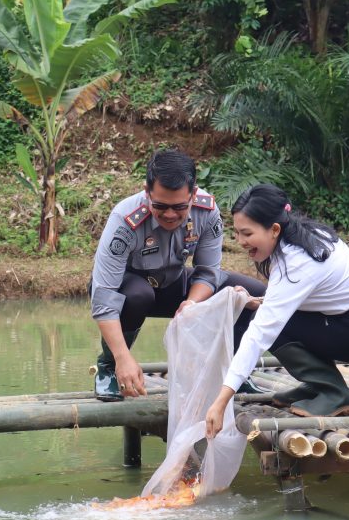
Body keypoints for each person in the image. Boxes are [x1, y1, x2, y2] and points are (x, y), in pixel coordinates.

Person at [89, 149, 265, 401]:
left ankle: (234, 374)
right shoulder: (125, 220)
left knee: (252, 294)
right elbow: (104, 296)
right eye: (160, 206)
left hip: (174, 282)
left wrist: (192, 303)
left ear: (193, 195)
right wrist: (122, 358)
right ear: (147, 191)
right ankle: (108, 370)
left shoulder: (207, 211)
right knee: (138, 294)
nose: (170, 214)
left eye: (179, 207)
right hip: (129, 289)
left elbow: (208, 273)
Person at [204, 184, 349, 435]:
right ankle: (319, 384)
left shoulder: (297, 263)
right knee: (266, 314)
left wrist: (221, 401)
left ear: (274, 229)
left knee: (270, 325)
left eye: (247, 233)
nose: (240, 242)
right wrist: (262, 301)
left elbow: (259, 333)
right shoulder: (303, 234)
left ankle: (334, 392)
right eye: (237, 233)